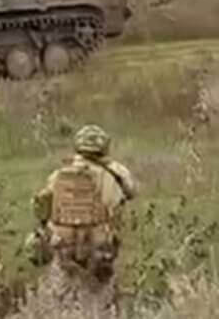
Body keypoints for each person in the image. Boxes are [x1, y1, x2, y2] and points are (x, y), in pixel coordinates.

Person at [30, 125, 137, 312]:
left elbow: (40, 208)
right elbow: (130, 193)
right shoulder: (112, 176)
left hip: (62, 245)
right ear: (104, 148)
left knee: (62, 297)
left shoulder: (58, 175)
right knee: (102, 297)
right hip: (98, 246)